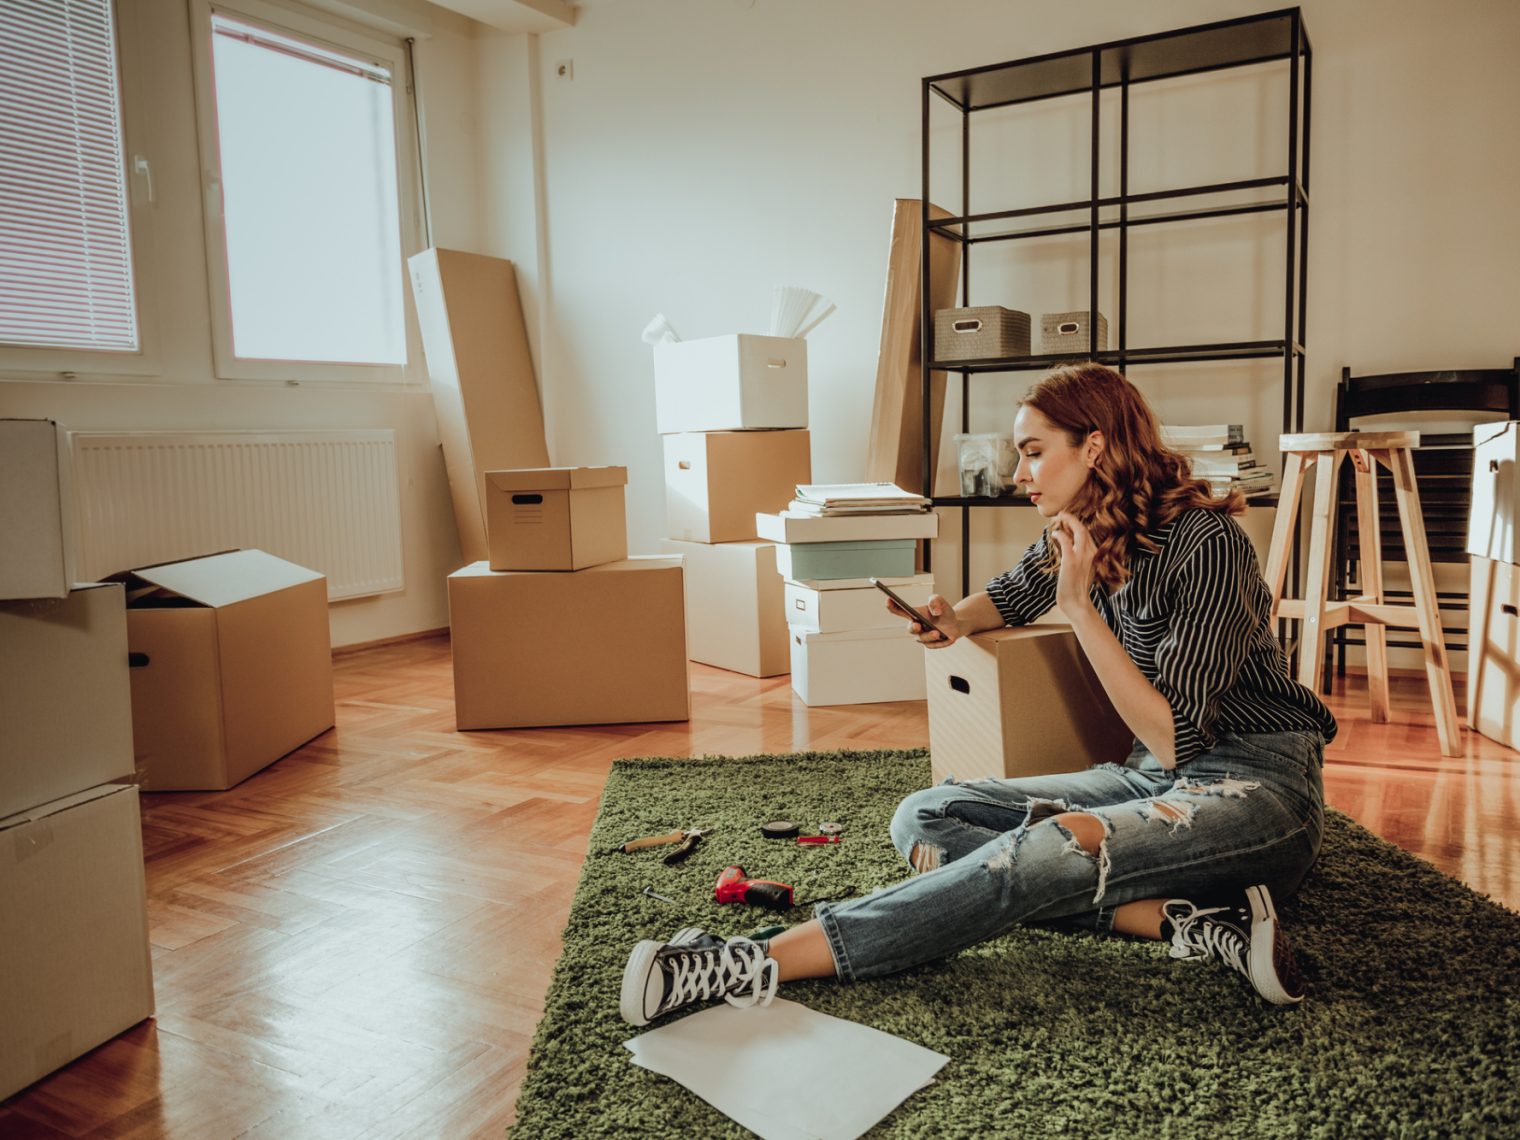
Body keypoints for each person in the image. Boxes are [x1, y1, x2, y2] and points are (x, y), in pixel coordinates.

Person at [620, 362, 1338, 1027]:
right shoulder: (1078, 531)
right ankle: (1183, 921)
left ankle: (750, 960)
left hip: (1255, 788)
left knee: (1043, 853)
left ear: (1094, 447)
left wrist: (1082, 609)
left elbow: (1175, 739)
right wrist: (953, 617)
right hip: (1147, 782)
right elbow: (1015, 593)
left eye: (1032, 451)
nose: (1018, 471)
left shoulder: (1206, 543)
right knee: (925, 819)